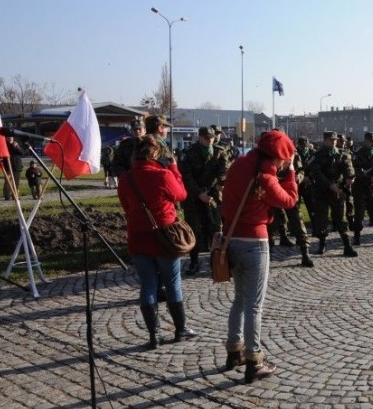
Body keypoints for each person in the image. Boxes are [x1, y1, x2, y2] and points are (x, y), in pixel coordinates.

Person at [221, 129, 298, 383]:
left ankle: (234, 352)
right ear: (278, 156)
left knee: (239, 300)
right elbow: (289, 200)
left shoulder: (239, 164)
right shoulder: (265, 177)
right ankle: (254, 361)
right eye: (284, 160)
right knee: (254, 305)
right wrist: (293, 174)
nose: (284, 164)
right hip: (255, 242)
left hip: (232, 239)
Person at [117, 135, 195, 349]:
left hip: (138, 236)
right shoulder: (162, 175)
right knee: (172, 282)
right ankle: (181, 329)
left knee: (148, 285)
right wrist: (175, 170)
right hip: (163, 236)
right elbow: (181, 195)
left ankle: (154, 334)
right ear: (154, 153)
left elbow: (126, 206)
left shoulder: (126, 178)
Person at [179, 126, 229, 275]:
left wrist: (217, 186)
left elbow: (224, 171)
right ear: (199, 137)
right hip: (194, 197)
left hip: (212, 195)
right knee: (194, 229)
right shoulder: (188, 153)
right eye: (206, 138)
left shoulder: (220, 152)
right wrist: (199, 193)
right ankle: (194, 261)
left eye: (212, 138)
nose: (209, 141)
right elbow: (186, 176)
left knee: (215, 229)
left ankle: (216, 262)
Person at [309, 131, 357, 256]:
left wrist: (350, 177)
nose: (334, 142)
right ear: (325, 140)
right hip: (322, 191)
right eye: (331, 140)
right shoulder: (318, 155)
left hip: (338, 190)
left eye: (335, 140)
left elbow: (348, 166)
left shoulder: (341, 153)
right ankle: (322, 244)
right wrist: (330, 185)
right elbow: (316, 173)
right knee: (322, 219)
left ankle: (347, 246)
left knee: (341, 219)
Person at [2, 136, 24, 200]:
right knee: (8, 182)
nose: (10, 139)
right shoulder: (4, 145)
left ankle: (15, 195)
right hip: (8, 166)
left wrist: (17, 147)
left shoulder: (16, 144)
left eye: (11, 137)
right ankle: (7, 196)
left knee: (16, 182)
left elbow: (22, 153)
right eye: (8, 137)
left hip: (17, 166)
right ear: (6, 138)